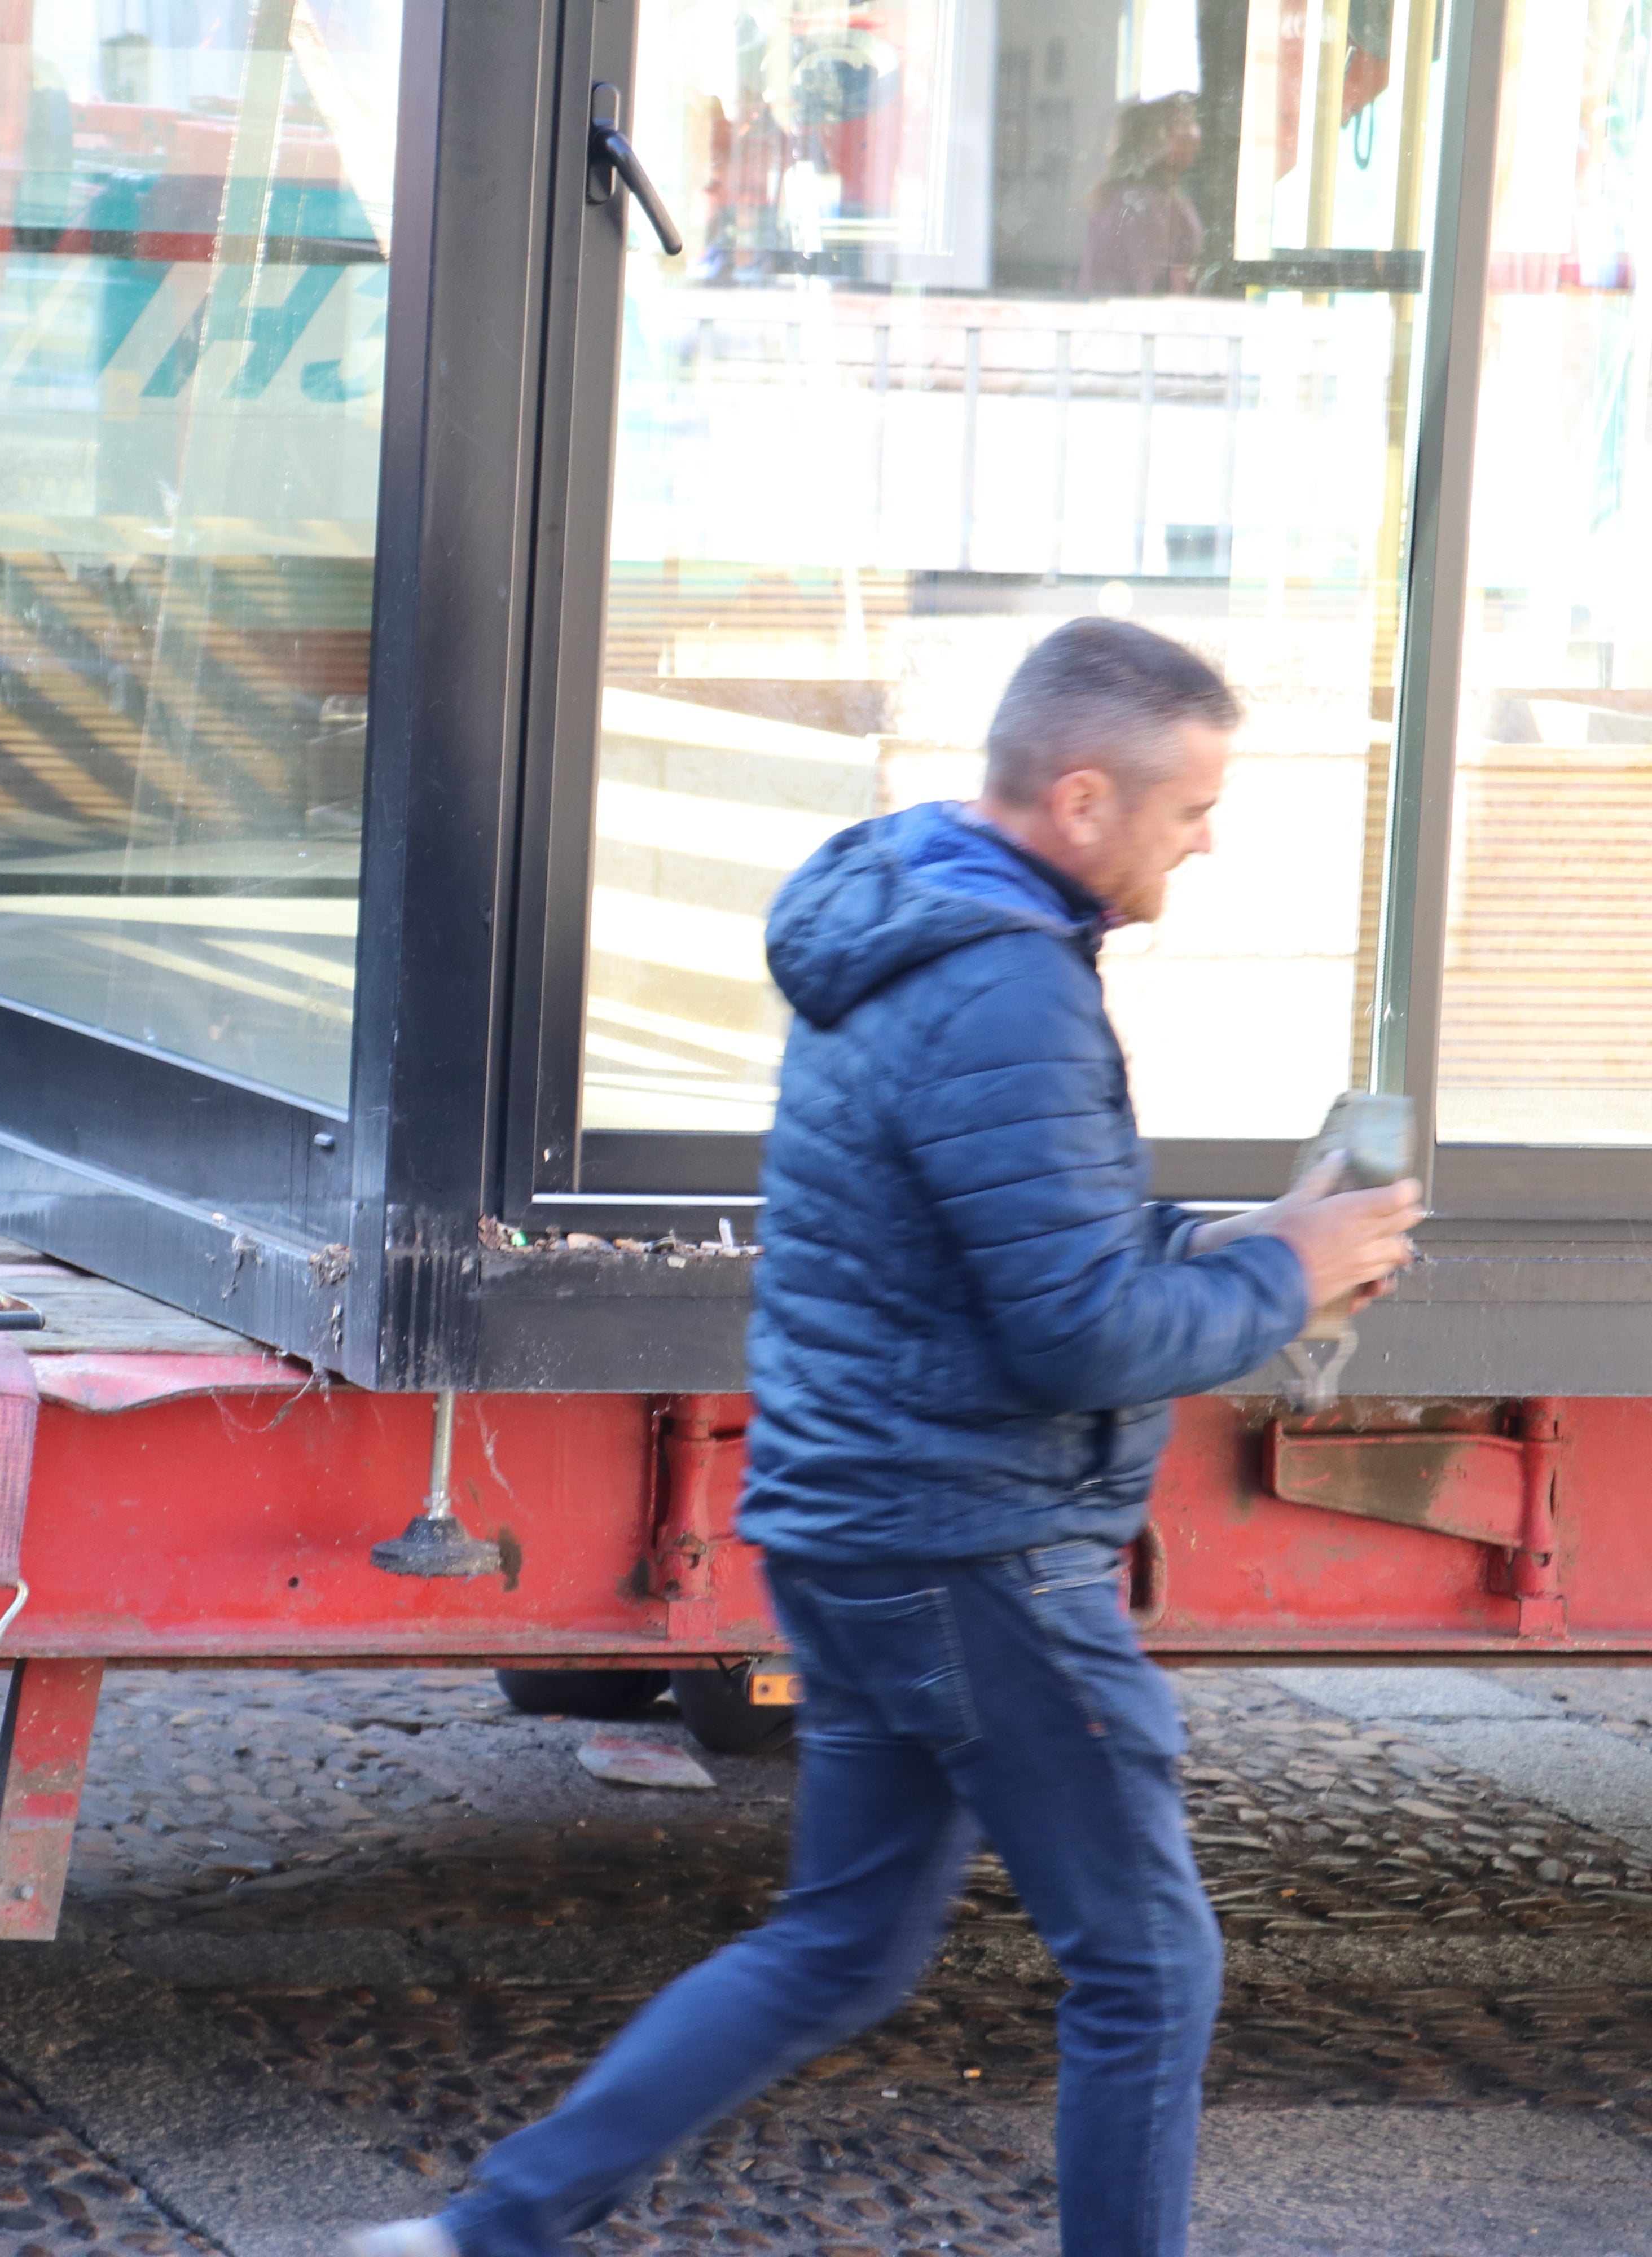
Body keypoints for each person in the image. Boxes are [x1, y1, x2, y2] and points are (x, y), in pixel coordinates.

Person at [348, 618, 1423, 2257]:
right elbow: (1070, 1333)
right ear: (1080, 796)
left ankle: (482, 2233)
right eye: (1189, 806)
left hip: (860, 1528)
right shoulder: (1004, 986)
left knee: (839, 1945)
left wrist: (1225, 1238)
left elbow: (1002, 1248)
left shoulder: (910, 924)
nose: (1203, 837)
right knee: (1144, 1963)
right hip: (972, 1549)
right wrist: (1292, 1270)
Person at [1080, 94, 1207, 296]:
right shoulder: (1143, 206)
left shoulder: (1118, 198)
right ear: (1157, 141)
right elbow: (1151, 290)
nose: (1195, 139)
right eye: (1182, 129)